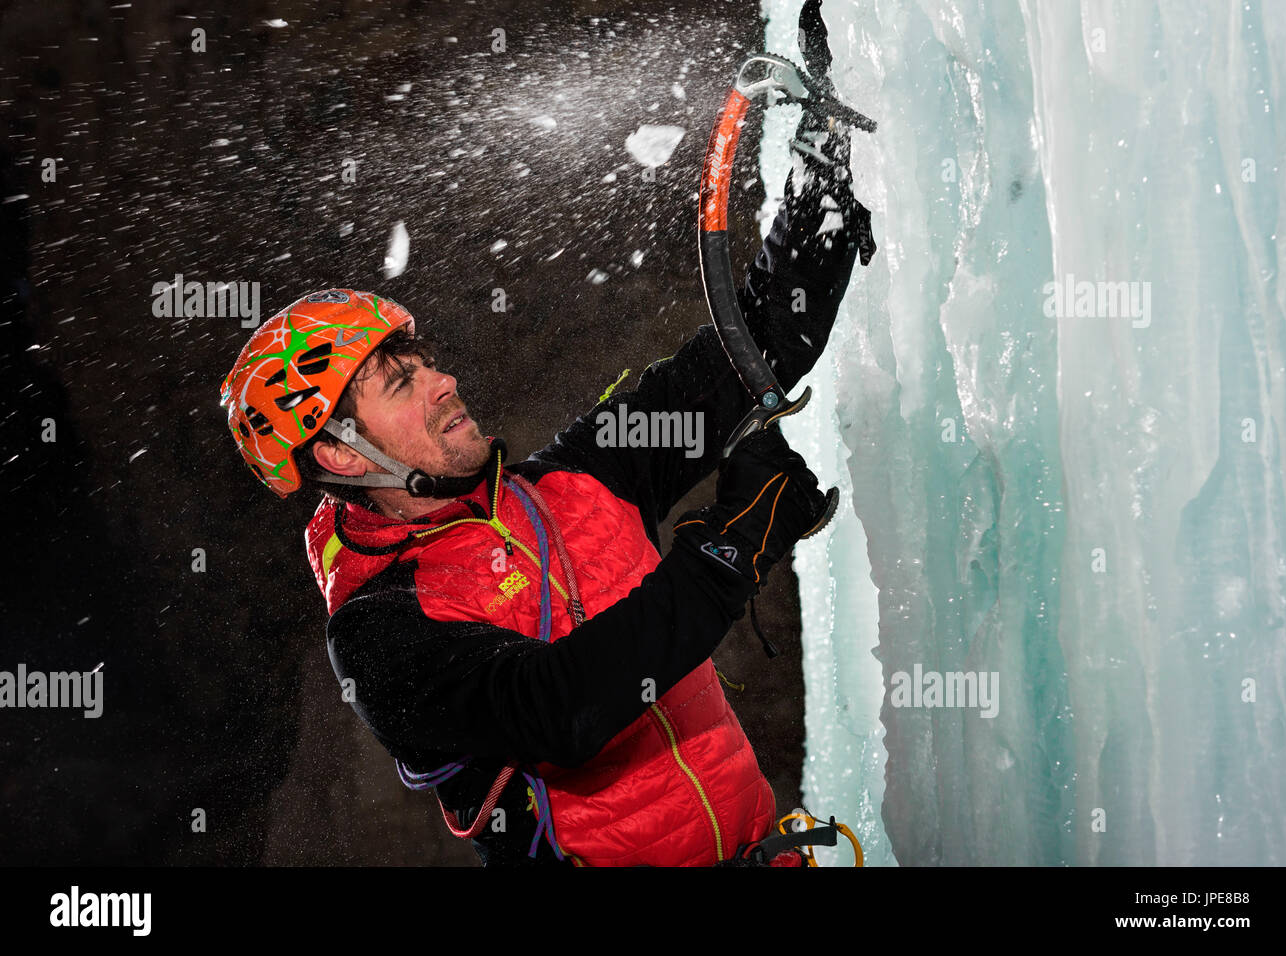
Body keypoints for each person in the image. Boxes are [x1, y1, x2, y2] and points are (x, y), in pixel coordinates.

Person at [219, 114, 874, 866]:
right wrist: (730, 547)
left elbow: (749, 351)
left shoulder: (574, 480)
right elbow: (562, 708)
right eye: (403, 382)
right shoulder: (379, 633)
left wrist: (822, 180)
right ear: (338, 453)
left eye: (427, 362)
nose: (444, 381)